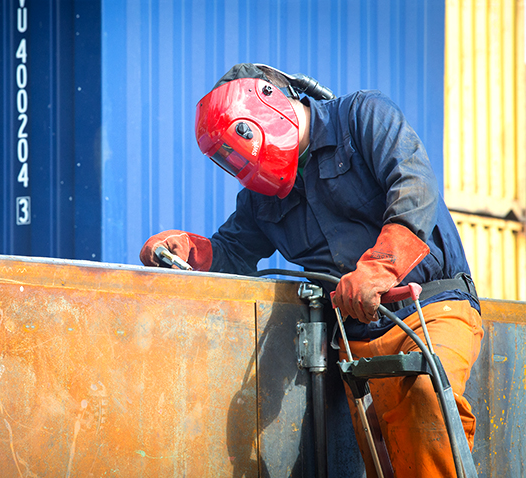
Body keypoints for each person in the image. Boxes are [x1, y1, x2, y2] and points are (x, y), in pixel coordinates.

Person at [139, 63, 483, 477]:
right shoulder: (260, 200)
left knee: (427, 397)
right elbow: (233, 251)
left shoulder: (362, 118)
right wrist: (188, 251)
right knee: (387, 461)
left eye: (236, 146)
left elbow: (414, 186)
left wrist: (380, 268)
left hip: (431, 308)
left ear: (265, 107)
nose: (237, 164)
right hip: (355, 337)